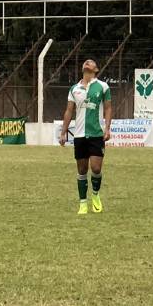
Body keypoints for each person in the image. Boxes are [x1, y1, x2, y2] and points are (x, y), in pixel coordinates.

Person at [59, 59, 112, 214]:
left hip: (96, 134)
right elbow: (69, 111)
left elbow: (108, 108)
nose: (87, 62)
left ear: (96, 69)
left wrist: (107, 128)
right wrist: (63, 132)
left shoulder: (103, 86)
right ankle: (83, 203)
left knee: (96, 168)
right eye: (85, 62)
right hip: (80, 135)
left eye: (91, 62)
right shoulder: (74, 89)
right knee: (82, 170)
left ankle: (95, 194)